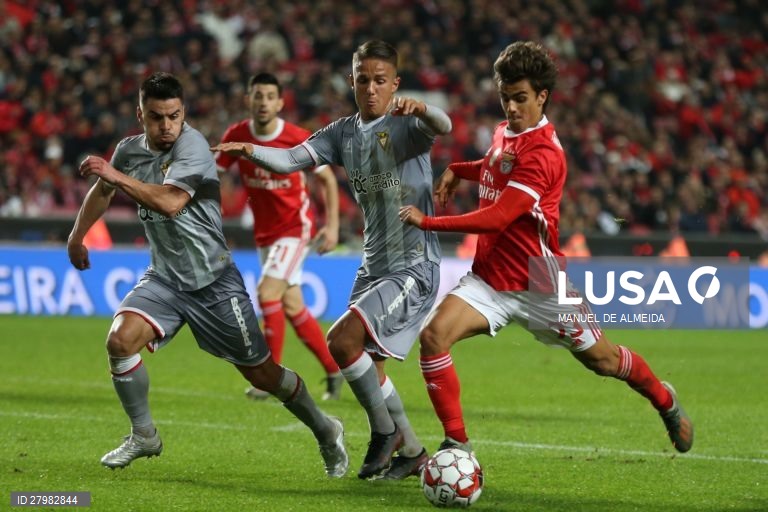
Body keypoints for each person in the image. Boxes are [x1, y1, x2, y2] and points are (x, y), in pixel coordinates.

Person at [399, 41, 694, 456]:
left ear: (542, 96)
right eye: (505, 97)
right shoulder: (506, 132)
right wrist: (458, 170)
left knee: (604, 361)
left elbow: (499, 217)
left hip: (540, 282)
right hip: (489, 279)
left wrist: (428, 221)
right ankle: (457, 445)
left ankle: (665, 401)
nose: (511, 107)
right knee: (433, 337)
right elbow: (495, 167)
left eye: (520, 98)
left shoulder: (544, 153)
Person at [67, 71, 348, 478]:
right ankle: (144, 435)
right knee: (120, 341)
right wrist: (77, 236)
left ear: (183, 113)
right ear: (141, 115)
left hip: (214, 282)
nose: (167, 126)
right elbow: (103, 191)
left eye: (174, 116)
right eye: (156, 117)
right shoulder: (128, 151)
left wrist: (115, 176)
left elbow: (171, 202)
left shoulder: (193, 145)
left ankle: (325, 428)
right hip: (164, 278)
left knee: (264, 375)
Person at [211, 40, 452, 480]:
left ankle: (385, 432)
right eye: (363, 80)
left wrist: (424, 109)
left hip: (413, 264)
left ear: (395, 84)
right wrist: (248, 150)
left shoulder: (407, 124)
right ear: (352, 81)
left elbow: (445, 125)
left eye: (381, 81)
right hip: (373, 264)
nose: (371, 88)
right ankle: (413, 452)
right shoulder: (342, 133)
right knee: (369, 367)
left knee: (342, 341)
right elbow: (291, 160)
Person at [216, 72, 343, 401]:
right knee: (292, 304)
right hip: (265, 234)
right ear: (249, 100)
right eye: (258, 95)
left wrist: (332, 226)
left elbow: (327, 179)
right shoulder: (237, 135)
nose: (263, 102)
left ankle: (269, 379)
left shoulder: (296, 137)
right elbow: (213, 175)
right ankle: (334, 370)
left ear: (280, 103)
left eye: (270, 96)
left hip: (295, 228)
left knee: (267, 292)